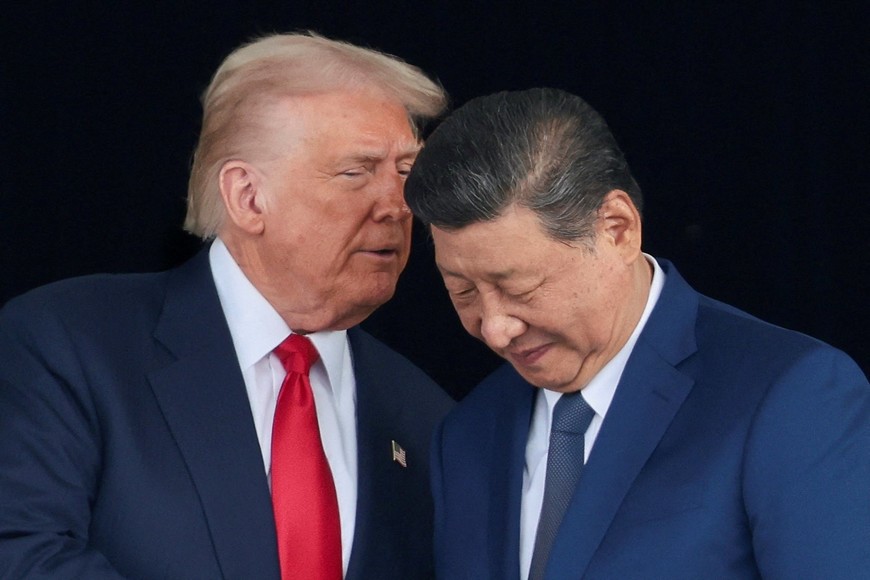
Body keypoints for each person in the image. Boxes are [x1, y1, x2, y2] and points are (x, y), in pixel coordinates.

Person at [0, 32, 454, 579]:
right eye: (356, 172)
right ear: (247, 197)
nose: (397, 205)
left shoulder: (427, 417)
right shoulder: (67, 344)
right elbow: (24, 553)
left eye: (407, 172)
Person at [403, 88, 870, 579]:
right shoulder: (466, 435)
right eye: (463, 292)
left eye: (519, 286)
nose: (495, 329)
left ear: (618, 229)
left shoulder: (790, 396)